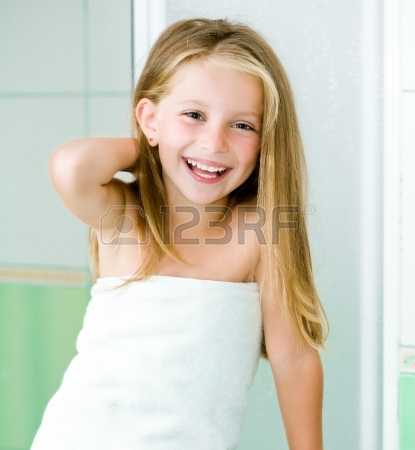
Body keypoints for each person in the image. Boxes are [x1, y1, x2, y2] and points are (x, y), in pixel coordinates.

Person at [31, 17, 329, 450]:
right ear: (150, 119)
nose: (214, 142)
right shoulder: (126, 218)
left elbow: (295, 359)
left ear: (266, 139)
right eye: (193, 116)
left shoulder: (259, 233)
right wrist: (156, 147)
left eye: (242, 125)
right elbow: (72, 166)